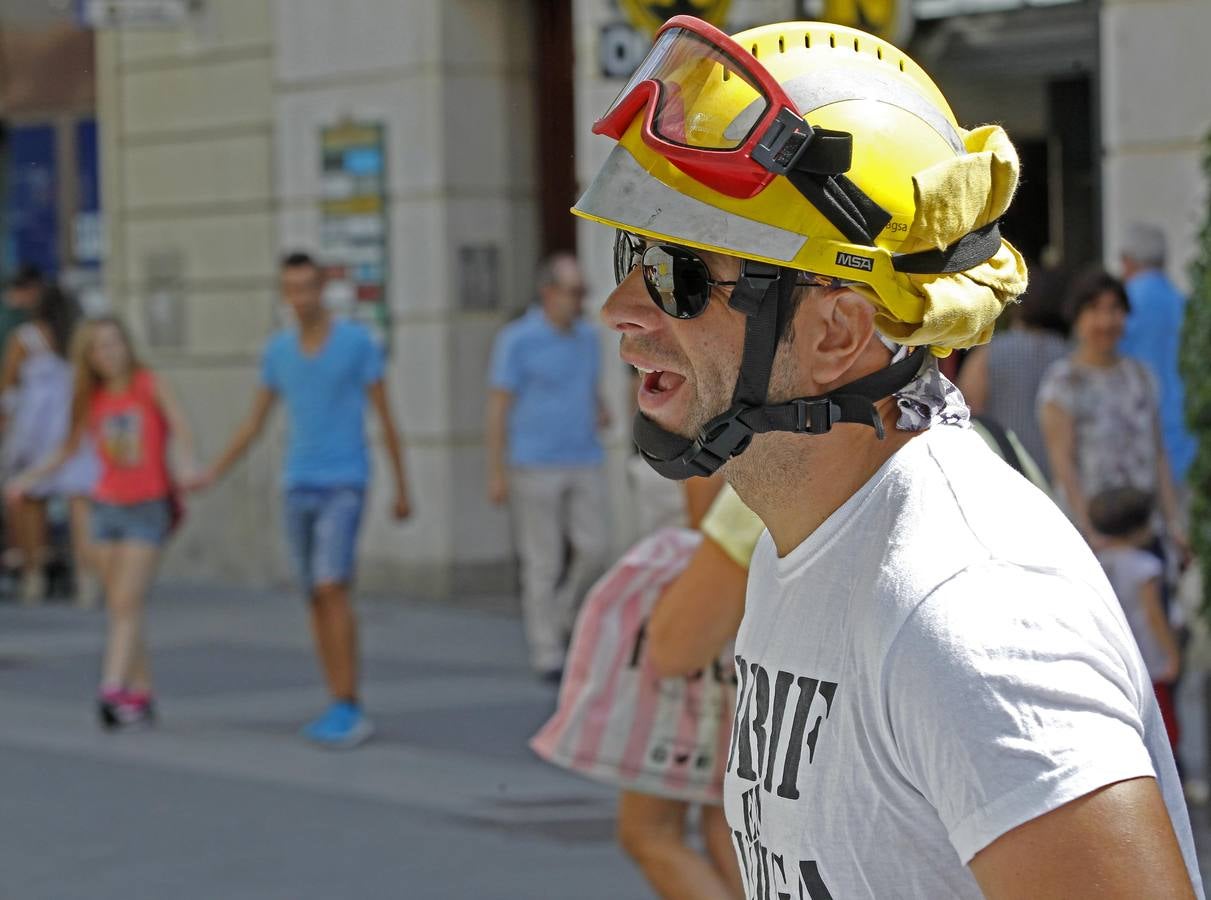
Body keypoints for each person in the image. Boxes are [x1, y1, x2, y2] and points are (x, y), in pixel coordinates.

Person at [573, 14, 1202, 897]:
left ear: (837, 331)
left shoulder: (970, 611)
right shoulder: (807, 539)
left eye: (679, 274)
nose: (620, 309)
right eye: (631, 251)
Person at [187, 252, 411, 749]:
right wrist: (214, 471)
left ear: (323, 289)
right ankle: (336, 699)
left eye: (309, 287)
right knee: (313, 594)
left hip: (344, 481)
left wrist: (402, 487)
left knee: (333, 586)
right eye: (292, 289)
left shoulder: (356, 343)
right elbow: (255, 421)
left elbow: (385, 415)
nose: (301, 298)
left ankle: (350, 702)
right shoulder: (279, 352)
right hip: (298, 482)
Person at [7, 317, 196, 729]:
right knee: (122, 605)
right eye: (99, 347)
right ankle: (142, 693)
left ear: (127, 345)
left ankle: (111, 688)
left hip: (147, 507)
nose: (109, 353)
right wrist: (28, 478)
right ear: (88, 357)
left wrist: (186, 465)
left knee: (126, 601)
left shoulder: (148, 384)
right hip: (106, 508)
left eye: (114, 343)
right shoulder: (90, 397)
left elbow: (180, 430)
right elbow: (67, 449)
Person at [616, 478, 756, 900]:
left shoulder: (754, 491)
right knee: (729, 826)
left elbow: (674, 650)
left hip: (729, 664)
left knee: (650, 829)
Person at [486, 253, 609, 680]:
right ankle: (546, 650)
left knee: (595, 549)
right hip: (534, 462)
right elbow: (498, 407)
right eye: (573, 292)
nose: (579, 300)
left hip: (584, 456)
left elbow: (590, 387)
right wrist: (496, 471)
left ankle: (563, 613)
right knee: (543, 561)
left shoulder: (589, 337)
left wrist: (600, 408)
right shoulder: (516, 340)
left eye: (582, 292)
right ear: (548, 292)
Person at [1038, 270, 1186, 553]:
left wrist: (1174, 523)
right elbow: (1063, 464)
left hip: (1145, 530)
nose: (1106, 321)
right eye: (1094, 309)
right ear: (1077, 317)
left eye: (1115, 309)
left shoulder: (1141, 376)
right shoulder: (1062, 383)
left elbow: (1158, 454)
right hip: (1094, 538)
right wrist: (1090, 530)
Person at [0, 285, 99, 605]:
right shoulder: (80, 337)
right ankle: (86, 580)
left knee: (30, 500)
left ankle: (34, 576)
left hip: (35, 433)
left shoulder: (25, 337)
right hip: (75, 426)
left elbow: (7, 388)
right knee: (79, 507)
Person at [957, 260, 1068, 478]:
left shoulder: (989, 352)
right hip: (1059, 471)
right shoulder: (1069, 353)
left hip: (1005, 463)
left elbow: (969, 408)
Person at [1090, 487, 1182, 747]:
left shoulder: (1097, 562)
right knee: (1163, 728)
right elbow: (1154, 615)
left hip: (1115, 652)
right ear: (1136, 529)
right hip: (1149, 657)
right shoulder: (1146, 566)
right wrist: (1172, 655)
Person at [1119, 223, 1198, 487]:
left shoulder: (1120, 307)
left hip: (1135, 437)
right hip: (1185, 436)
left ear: (1128, 261)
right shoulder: (1183, 303)